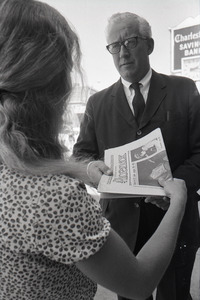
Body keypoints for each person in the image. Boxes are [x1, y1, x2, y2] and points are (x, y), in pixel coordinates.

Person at [73, 12, 200, 300]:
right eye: (114, 46)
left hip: (174, 222)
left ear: (150, 45)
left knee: (177, 295)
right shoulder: (97, 103)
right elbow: (81, 154)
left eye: (130, 41)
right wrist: (92, 168)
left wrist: (175, 187)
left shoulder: (184, 90)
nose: (122, 52)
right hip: (122, 230)